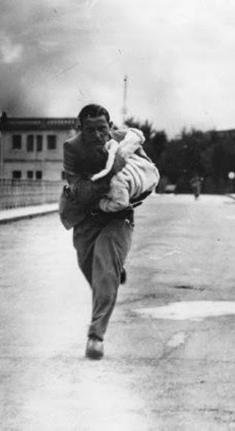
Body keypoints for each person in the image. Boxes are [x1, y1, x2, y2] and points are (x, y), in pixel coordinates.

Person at [58, 104, 153, 360]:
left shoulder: (124, 139)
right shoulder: (72, 149)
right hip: (86, 216)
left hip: (118, 218)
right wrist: (111, 173)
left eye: (103, 129)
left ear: (110, 127)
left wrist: (129, 181)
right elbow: (80, 192)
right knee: (91, 268)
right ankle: (112, 272)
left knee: (104, 268)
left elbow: (147, 171)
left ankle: (96, 336)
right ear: (81, 130)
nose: (98, 136)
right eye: (91, 131)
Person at [90, 127, 160, 212]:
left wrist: (101, 204)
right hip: (142, 171)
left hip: (146, 176)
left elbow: (137, 134)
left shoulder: (113, 183)